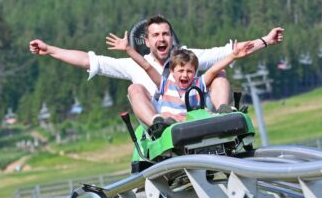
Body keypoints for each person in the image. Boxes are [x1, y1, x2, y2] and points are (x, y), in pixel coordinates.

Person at [29, 15, 284, 125]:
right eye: (155, 35)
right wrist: (50, 49)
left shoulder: (188, 59)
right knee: (135, 88)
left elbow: (230, 53)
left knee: (220, 73)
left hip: (197, 112)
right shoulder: (136, 64)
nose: (161, 38)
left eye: (165, 34)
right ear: (148, 41)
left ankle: (222, 114)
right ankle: (157, 124)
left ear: (171, 38)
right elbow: (88, 61)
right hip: (166, 118)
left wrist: (266, 40)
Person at [106, 31, 255, 134]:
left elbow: (215, 68)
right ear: (172, 71)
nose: (185, 75)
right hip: (174, 126)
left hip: (196, 123)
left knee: (220, 74)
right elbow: (146, 65)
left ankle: (225, 111)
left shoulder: (198, 84)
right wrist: (128, 49)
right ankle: (158, 124)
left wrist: (233, 56)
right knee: (160, 114)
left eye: (190, 71)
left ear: (195, 72)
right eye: (181, 71)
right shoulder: (165, 85)